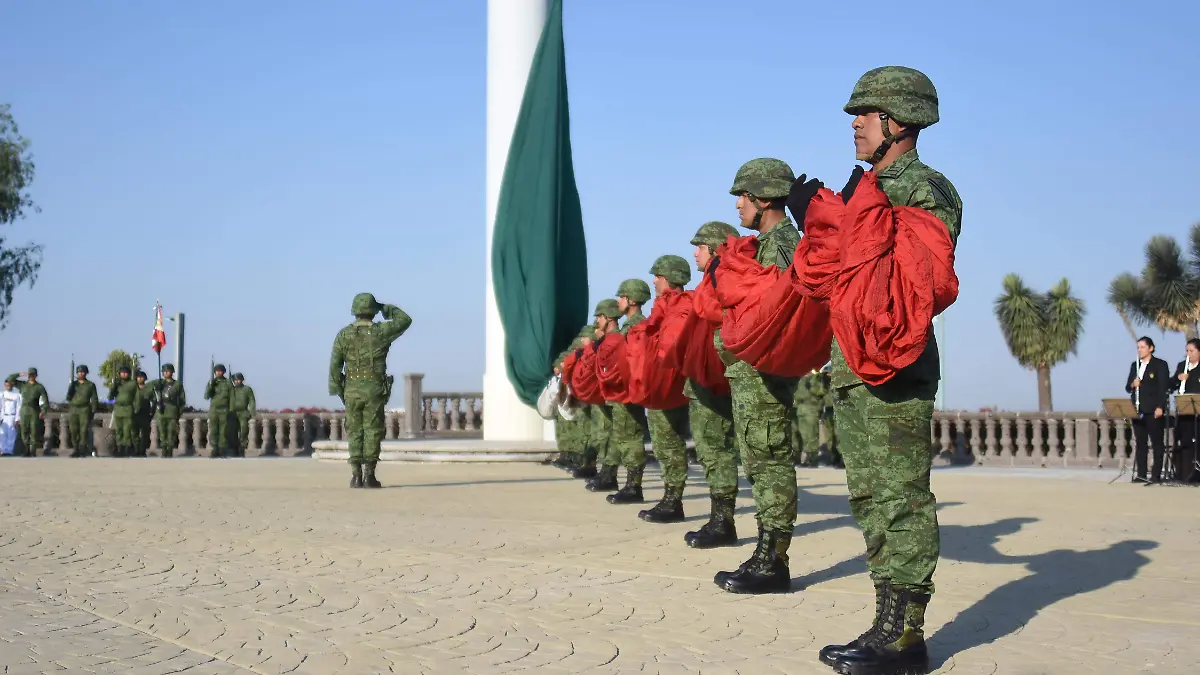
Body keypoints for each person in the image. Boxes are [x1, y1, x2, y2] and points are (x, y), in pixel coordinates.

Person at [818, 66, 964, 675]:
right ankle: (887, 623)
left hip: (894, 363)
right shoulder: (868, 188)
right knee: (871, 496)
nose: (854, 123)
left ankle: (905, 637)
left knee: (900, 496)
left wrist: (853, 217)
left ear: (896, 122)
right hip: (854, 364)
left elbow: (911, 280)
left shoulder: (924, 188)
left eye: (866, 113)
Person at [713, 157, 802, 595]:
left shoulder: (782, 245)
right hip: (751, 374)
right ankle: (767, 553)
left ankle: (773, 561)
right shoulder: (768, 243)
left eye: (742, 196)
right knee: (758, 459)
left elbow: (779, 310)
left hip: (765, 375)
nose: (738, 206)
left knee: (769, 460)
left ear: (763, 197)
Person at [680, 221, 741, 548]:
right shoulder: (713, 278)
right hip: (706, 377)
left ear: (715, 248)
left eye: (700, 247)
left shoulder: (722, 277)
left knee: (715, 448)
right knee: (710, 448)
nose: (694, 253)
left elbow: (713, 315)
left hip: (714, 378)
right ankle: (720, 518)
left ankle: (722, 522)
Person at [329, 293, 412, 488]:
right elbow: (405, 319)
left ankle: (356, 475)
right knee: (373, 430)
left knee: (355, 430)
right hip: (374, 388)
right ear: (372, 311)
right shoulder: (381, 331)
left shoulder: (343, 334)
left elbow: (334, 368)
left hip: (351, 389)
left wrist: (340, 391)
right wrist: (383, 307)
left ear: (355, 311)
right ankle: (369, 475)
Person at [636, 255, 693, 524]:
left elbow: (669, 349)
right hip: (665, 386)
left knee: (670, 444)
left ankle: (673, 501)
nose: (654, 281)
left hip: (672, 386)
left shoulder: (679, 307)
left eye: (658, 276)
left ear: (669, 277)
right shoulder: (665, 307)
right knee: (664, 444)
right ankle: (671, 498)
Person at [1127, 336, 1171, 485]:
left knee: (1157, 442)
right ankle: (1141, 474)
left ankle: (1156, 475)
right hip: (1137, 409)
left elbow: (1163, 388)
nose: (1139, 350)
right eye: (1138, 347)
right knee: (1141, 442)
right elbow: (1127, 387)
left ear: (1151, 348)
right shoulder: (1135, 365)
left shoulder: (1160, 365)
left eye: (1142, 347)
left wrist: (1160, 406)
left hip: (1153, 409)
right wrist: (1133, 384)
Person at [1172, 339, 1200, 483]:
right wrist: (1178, 378)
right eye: (1187, 351)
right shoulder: (1182, 366)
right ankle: (1183, 473)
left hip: (1198, 412)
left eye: (1191, 351)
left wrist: (1191, 378)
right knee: (1184, 442)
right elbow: (1171, 383)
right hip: (1184, 411)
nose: (1188, 354)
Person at [151, 364, 186, 457]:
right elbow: (154, 398)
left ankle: (169, 450)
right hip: (161, 410)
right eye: (164, 371)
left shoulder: (177, 384)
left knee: (171, 432)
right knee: (162, 432)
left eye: (168, 371)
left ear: (172, 372)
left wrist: (178, 412)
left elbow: (182, 400)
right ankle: (163, 449)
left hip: (172, 410)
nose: (166, 372)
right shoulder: (159, 384)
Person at [108, 365, 141, 457]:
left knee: (127, 430)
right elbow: (110, 397)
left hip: (128, 409)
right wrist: (113, 388)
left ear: (129, 374)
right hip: (118, 409)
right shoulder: (117, 384)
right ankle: (119, 448)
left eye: (125, 373)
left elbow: (137, 397)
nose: (124, 374)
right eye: (122, 373)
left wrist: (136, 408)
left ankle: (126, 448)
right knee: (119, 430)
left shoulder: (133, 384)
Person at [67, 365, 99, 457]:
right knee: (73, 430)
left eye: (82, 372)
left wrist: (93, 410)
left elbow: (94, 399)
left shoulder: (90, 385)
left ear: (86, 373)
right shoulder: (74, 384)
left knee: (83, 430)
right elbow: (68, 397)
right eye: (79, 372)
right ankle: (75, 448)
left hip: (84, 409)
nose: (81, 374)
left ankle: (82, 449)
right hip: (74, 408)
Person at [204, 364, 235, 458]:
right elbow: (206, 396)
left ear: (223, 372)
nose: (218, 372)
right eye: (216, 371)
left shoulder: (228, 383)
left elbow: (232, 397)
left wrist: (231, 409)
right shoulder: (212, 382)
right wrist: (211, 386)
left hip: (224, 410)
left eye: (220, 371)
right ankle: (215, 449)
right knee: (214, 431)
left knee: (223, 431)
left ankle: (222, 450)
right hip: (214, 410)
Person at [16, 368, 48, 457]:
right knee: (24, 431)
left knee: (34, 431)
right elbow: (10, 379)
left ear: (36, 375)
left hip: (34, 410)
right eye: (29, 375)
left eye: (33, 375)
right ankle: (26, 450)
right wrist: (20, 373)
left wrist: (43, 411)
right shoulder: (23, 385)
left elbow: (45, 400)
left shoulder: (39, 387)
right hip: (24, 410)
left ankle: (32, 451)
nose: (31, 376)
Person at [231, 373, 257, 457]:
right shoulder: (231, 390)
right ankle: (234, 450)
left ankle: (242, 448)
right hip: (233, 414)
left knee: (244, 431)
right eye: (235, 380)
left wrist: (252, 412)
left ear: (242, 380)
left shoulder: (247, 389)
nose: (237, 381)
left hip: (243, 413)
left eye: (239, 379)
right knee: (233, 432)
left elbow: (252, 400)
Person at [132, 371, 154, 457]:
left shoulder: (149, 389)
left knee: (145, 434)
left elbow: (154, 401)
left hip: (145, 414)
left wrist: (152, 412)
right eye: (138, 377)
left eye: (142, 377)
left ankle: (142, 450)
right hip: (135, 413)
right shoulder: (133, 388)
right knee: (134, 434)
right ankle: (136, 450)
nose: (140, 378)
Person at [0, 376, 22, 456]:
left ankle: (9, 451)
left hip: (12, 417)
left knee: (11, 434)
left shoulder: (17, 395)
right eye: (6, 385)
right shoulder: (2, 394)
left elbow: (18, 407)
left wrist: (17, 418)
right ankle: (3, 450)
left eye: (9, 385)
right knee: (2, 434)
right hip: (3, 417)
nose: (7, 387)